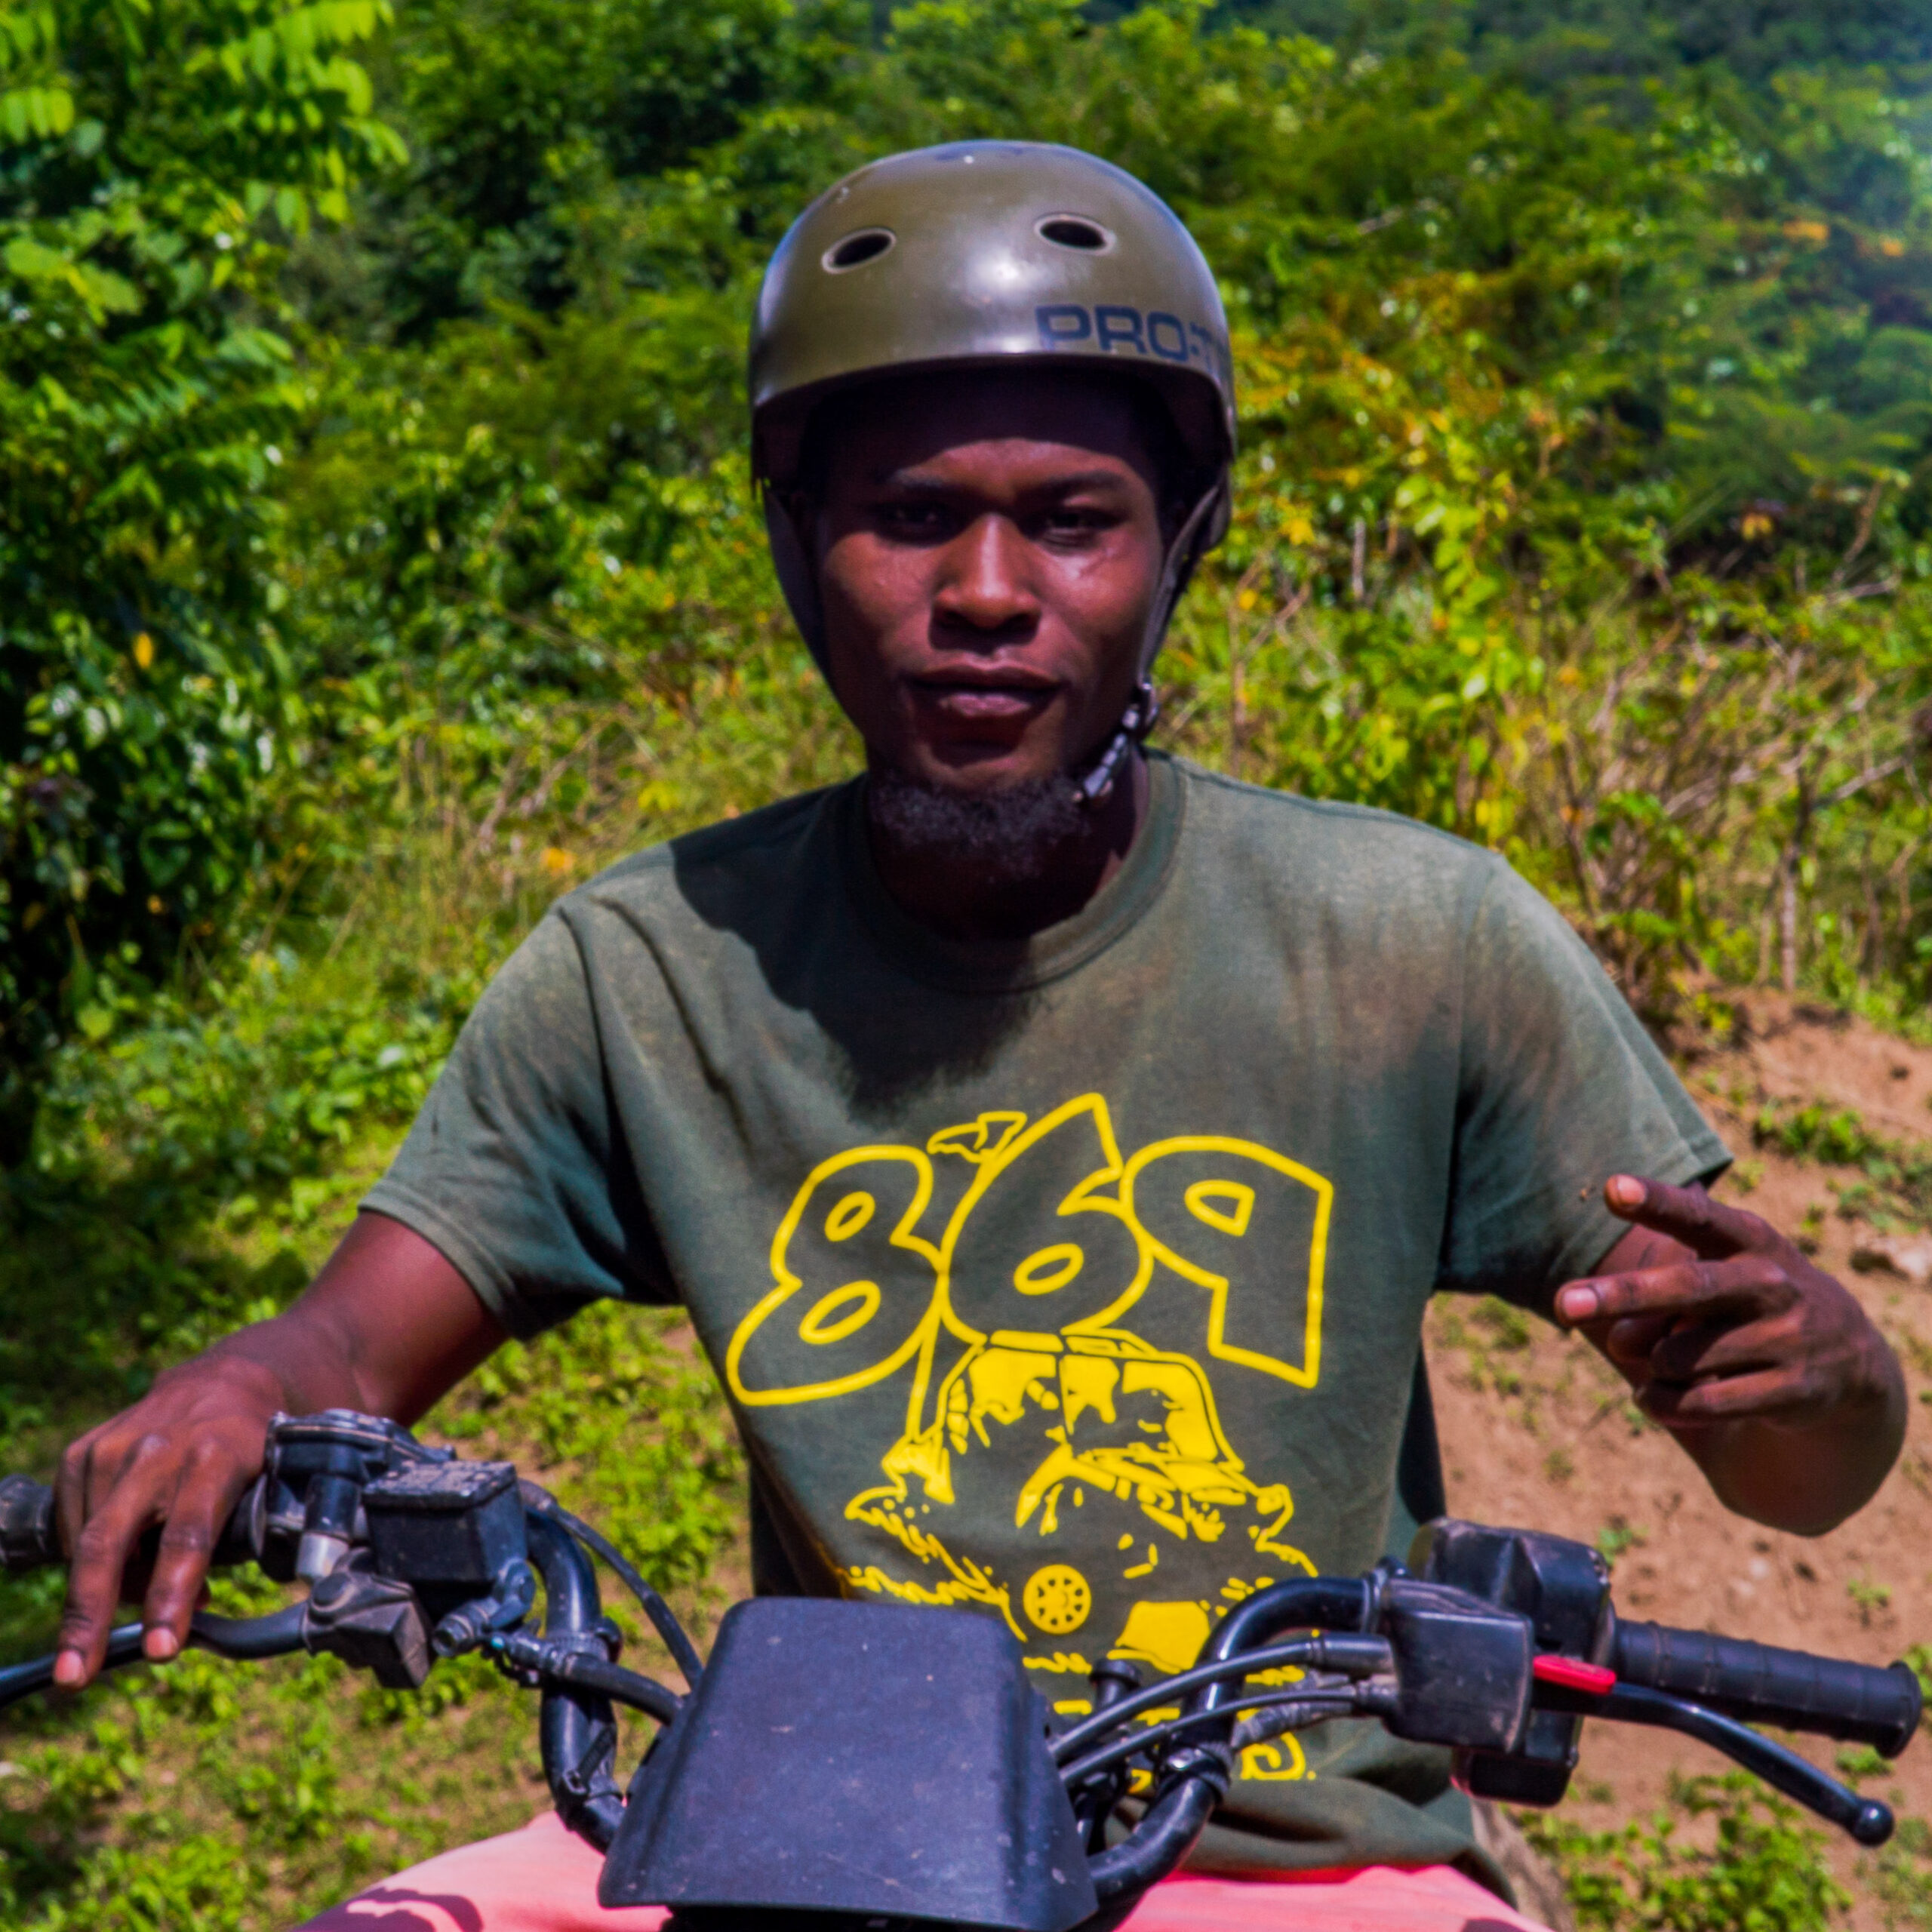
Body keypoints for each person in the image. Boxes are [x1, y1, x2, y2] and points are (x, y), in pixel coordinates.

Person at [48, 143, 1905, 1932]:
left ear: (1176, 547)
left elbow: (1799, 1474)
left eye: (1073, 521)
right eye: (911, 516)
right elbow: (356, 1330)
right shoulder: (651, 966)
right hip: (811, 1831)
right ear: (797, 547)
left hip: (1294, 1863)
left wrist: (1814, 1376)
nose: (990, 593)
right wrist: (237, 1386)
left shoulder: (1407, 941)